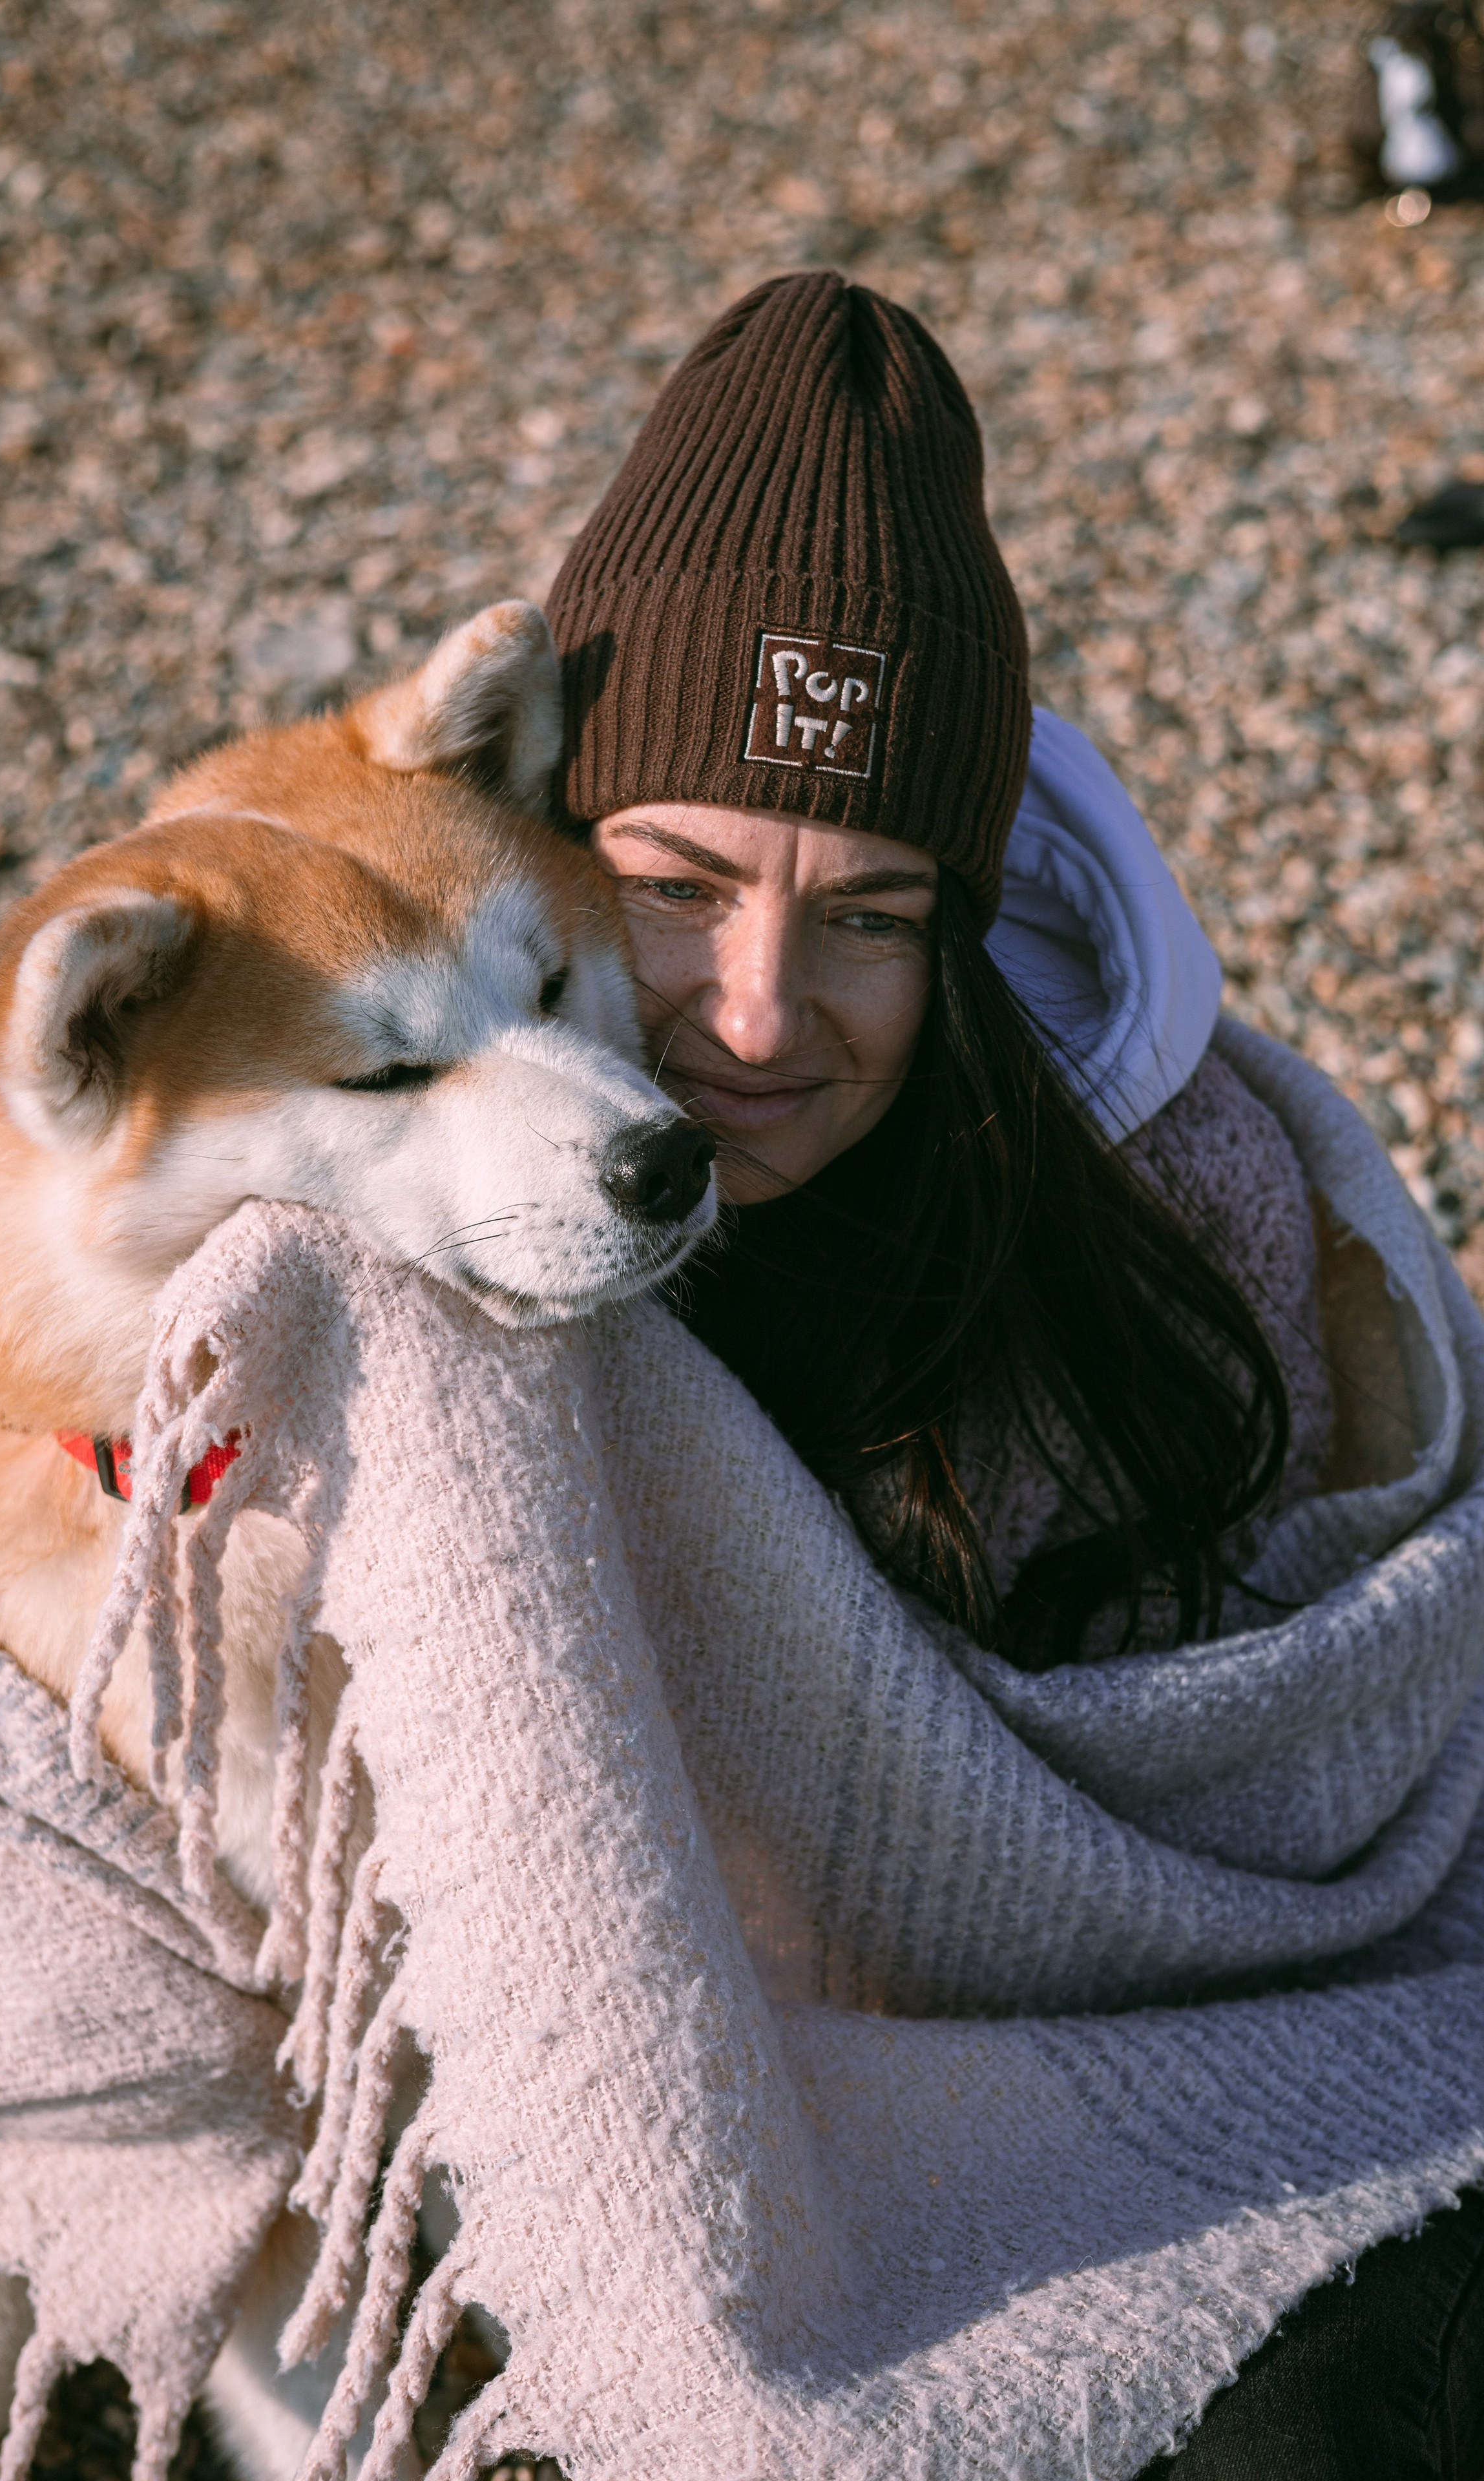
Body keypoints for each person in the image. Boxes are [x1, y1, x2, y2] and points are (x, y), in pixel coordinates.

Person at [537, 270, 1484, 2478]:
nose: (759, 1017)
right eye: (675, 886)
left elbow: (1288, 1776)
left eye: (869, 913)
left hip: (1172, 2072)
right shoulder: (419, 1155)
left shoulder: (1177, 1228)